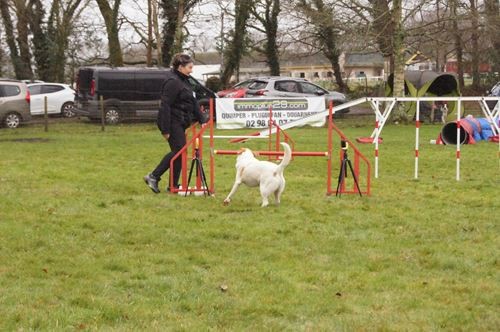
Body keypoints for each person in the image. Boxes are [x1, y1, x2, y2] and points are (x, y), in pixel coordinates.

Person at [144, 53, 207, 193]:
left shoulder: (185, 80)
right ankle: (153, 176)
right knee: (179, 151)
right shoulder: (172, 82)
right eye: (189, 67)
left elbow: (192, 101)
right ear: (180, 67)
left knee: (180, 152)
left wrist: (202, 119)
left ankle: (173, 185)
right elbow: (165, 105)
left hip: (181, 122)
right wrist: (165, 129)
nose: (191, 70)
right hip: (172, 121)